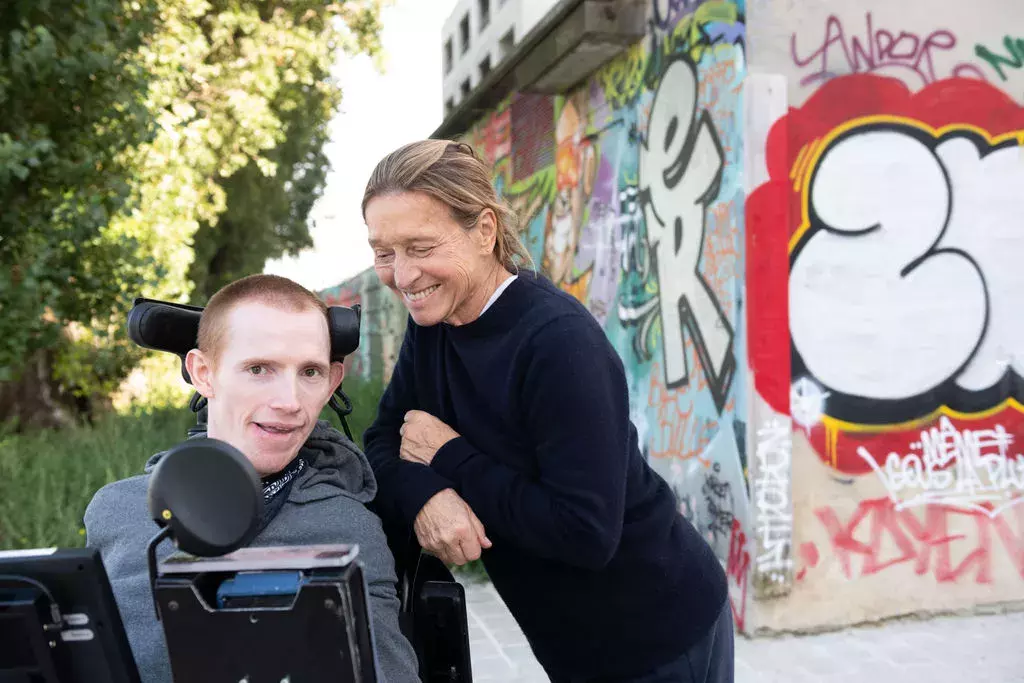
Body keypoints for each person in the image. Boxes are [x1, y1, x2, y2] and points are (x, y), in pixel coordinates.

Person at [360, 139, 733, 683]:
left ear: (484, 231)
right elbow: (383, 443)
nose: (403, 274)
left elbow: (586, 531)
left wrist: (449, 457)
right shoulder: (434, 326)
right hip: (571, 643)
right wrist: (427, 495)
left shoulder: (556, 342)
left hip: (654, 634)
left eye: (420, 246)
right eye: (383, 252)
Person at [84, 274, 420, 683]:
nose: (289, 402)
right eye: (259, 368)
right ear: (203, 373)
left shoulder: (350, 529)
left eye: (310, 372)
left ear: (333, 382)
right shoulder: (116, 512)